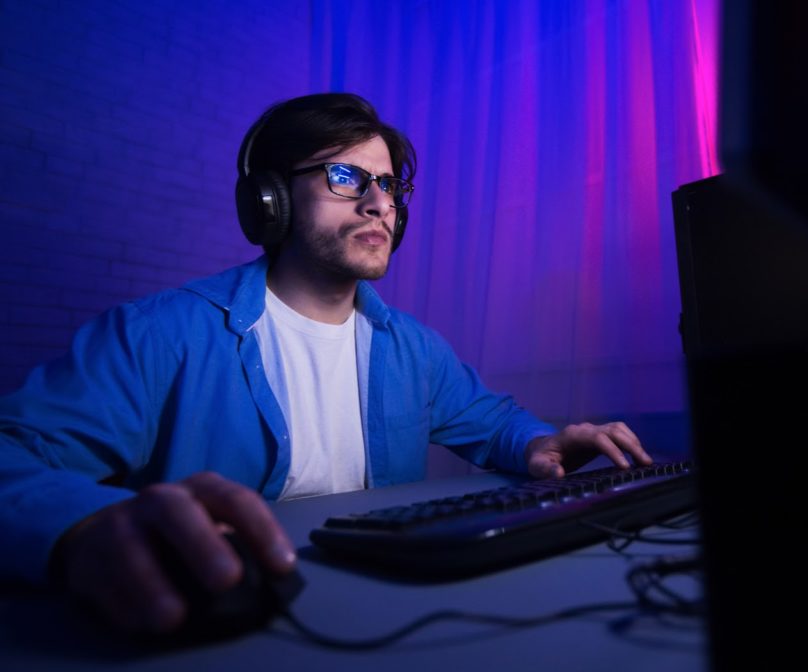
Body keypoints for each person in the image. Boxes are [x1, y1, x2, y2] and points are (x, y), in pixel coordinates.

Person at [0, 93, 651, 634]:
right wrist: (79, 528)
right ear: (270, 201)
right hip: (231, 624)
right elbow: (13, 454)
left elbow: (489, 417)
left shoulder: (413, 348)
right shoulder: (155, 335)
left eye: (389, 185)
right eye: (345, 178)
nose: (379, 205)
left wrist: (541, 441)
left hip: (374, 615)